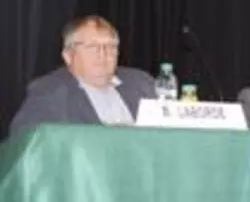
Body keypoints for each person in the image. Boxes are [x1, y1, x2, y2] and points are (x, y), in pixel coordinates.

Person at [10, 15, 157, 134]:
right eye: (92, 47)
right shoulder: (50, 91)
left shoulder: (141, 83)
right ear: (68, 56)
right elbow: (26, 140)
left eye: (110, 46)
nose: (103, 54)